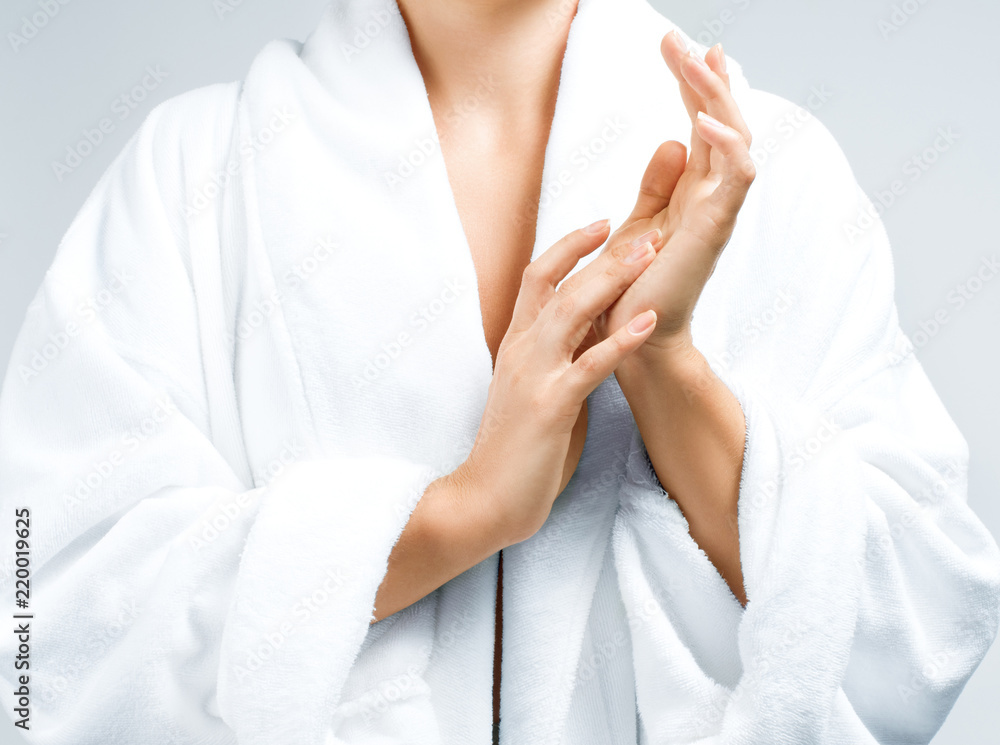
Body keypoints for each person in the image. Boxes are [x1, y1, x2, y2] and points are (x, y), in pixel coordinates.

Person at [1, 0, 998, 743]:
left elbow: (923, 612)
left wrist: (660, 359)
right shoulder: (192, 176)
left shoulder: (770, 169)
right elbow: (35, 633)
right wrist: (459, 513)